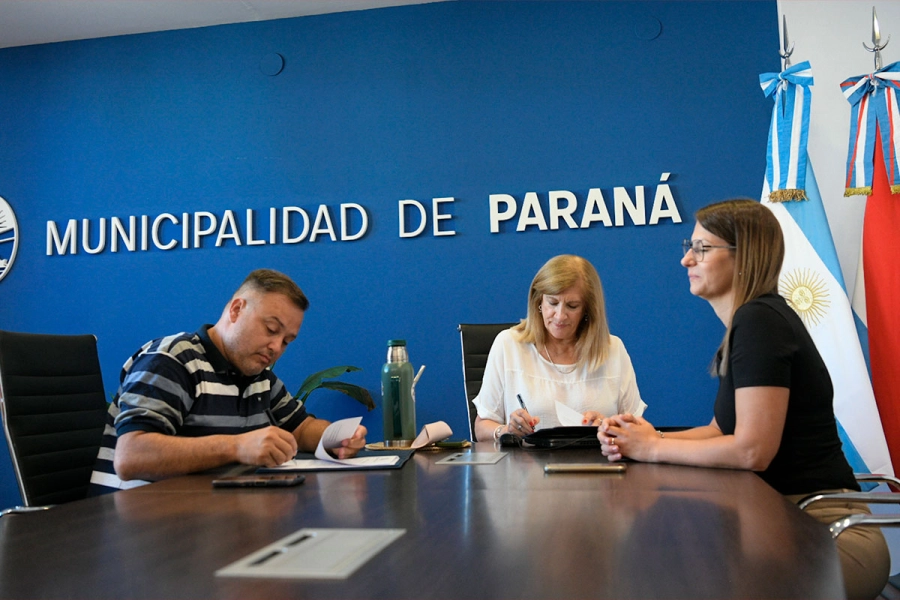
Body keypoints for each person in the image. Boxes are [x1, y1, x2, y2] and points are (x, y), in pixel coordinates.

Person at [598, 199, 889, 599]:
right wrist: (647, 439)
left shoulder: (759, 321)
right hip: (782, 524)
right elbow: (722, 431)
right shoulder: (749, 321)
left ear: (744, 256)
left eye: (701, 248)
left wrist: (650, 449)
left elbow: (752, 450)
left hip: (826, 533)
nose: (686, 260)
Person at [89, 268, 367, 494]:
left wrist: (337, 438)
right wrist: (238, 446)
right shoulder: (171, 360)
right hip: (138, 524)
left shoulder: (259, 375)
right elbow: (131, 458)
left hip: (209, 516)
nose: (276, 347)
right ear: (236, 310)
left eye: (286, 341)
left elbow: (301, 427)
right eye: (271, 329)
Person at [472, 254, 645, 442]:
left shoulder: (613, 349)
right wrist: (506, 430)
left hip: (596, 466)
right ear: (539, 301)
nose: (560, 316)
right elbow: (481, 429)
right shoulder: (508, 345)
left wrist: (610, 427)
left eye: (572, 306)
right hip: (525, 468)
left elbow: (638, 429)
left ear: (588, 309)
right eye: (552, 303)